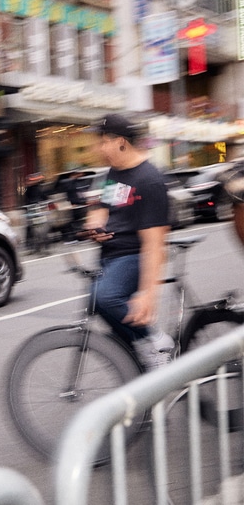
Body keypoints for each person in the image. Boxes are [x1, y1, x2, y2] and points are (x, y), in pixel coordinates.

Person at [82, 113, 173, 371]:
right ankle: (135, 358)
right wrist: (95, 225)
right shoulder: (114, 173)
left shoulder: (149, 179)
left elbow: (155, 243)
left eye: (102, 142)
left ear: (120, 142)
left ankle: (156, 340)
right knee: (95, 301)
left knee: (106, 296)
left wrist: (147, 295)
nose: (98, 148)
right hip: (111, 253)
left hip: (133, 254)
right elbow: (102, 208)